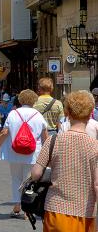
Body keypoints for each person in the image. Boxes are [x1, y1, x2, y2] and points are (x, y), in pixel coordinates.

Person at [31, 90, 98, 232]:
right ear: (91, 112)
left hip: (55, 210)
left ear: (67, 112)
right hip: (84, 212)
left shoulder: (53, 141)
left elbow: (36, 174)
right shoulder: (95, 146)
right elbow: (97, 184)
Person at [0, 89, 48, 218]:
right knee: (29, 181)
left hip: (14, 152)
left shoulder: (13, 114)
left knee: (16, 179)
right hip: (33, 153)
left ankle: (17, 205)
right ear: (34, 100)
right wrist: (47, 154)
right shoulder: (37, 115)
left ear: (21, 100)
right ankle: (27, 210)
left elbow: (5, 133)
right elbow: (45, 136)